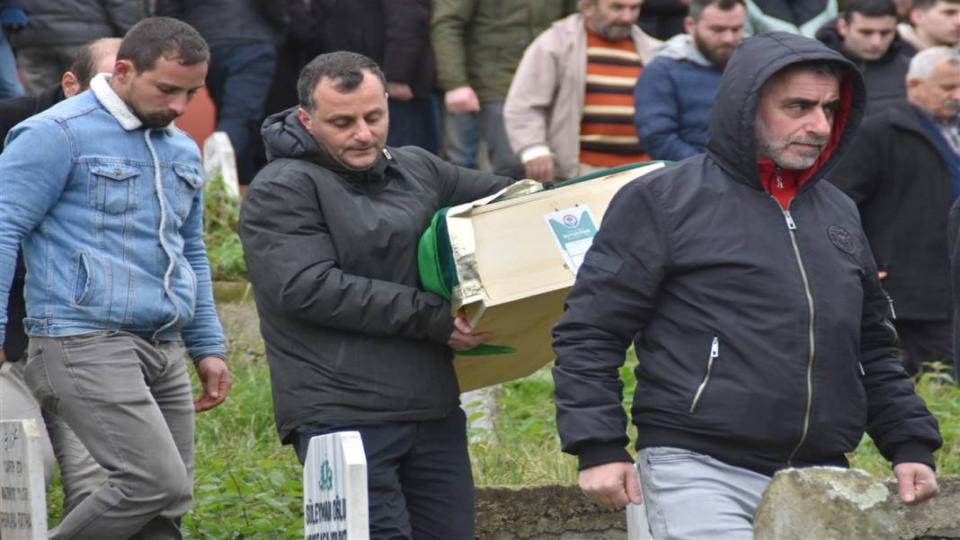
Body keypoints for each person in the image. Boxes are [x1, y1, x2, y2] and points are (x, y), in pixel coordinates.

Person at [552, 32, 942, 539]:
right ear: (746, 105)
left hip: (821, 476)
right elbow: (590, 329)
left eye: (828, 108)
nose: (819, 125)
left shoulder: (839, 211)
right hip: (694, 467)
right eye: (797, 106)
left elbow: (871, 345)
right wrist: (598, 446)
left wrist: (909, 442)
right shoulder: (663, 200)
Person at [238, 51, 513, 539]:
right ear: (306, 119)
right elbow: (308, 288)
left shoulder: (417, 168)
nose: (362, 134)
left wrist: (576, 202)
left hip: (432, 408)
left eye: (373, 116)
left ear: (387, 103)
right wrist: (433, 317)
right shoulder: (281, 188)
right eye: (342, 122)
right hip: (340, 416)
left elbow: (510, 200)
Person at [0, 17, 231, 538]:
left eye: (192, 93)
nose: (178, 107)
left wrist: (208, 345)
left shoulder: (179, 149)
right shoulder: (54, 133)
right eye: (166, 89)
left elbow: (189, 249)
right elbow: (3, 226)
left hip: (164, 343)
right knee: (153, 484)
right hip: (81, 339)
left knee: (165, 509)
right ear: (124, 70)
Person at [0, 37, 120, 518]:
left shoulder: (144, 142)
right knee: (26, 468)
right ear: (70, 83)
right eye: (107, 85)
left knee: (98, 482)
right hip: (13, 333)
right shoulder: (13, 123)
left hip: (83, 339)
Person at [832, 47, 960, 376]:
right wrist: (863, 258)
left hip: (950, 280)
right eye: (948, 88)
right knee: (930, 379)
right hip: (909, 287)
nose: (957, 96)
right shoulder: (879, 132)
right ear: (915, 84)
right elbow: (839, 201)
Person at [504, 0, 661, 182]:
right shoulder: (556, 43)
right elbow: (523, 105)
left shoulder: (653, 50)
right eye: (617, 8)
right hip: (581, 174)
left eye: (634, 8)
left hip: (643, 172)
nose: (627, 17)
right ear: (588, 7)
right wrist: (534, 149)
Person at [431, 0, 576, 177]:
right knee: (512, 165)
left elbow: (575, 21)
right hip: (493, 81)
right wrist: (455, 83)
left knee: (560, 166)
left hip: (551, 82)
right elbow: (448, 23)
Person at [155, 0, 284, 187]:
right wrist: (283, 25)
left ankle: (240, 180)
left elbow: (168, 9)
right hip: (251, 36)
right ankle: (212, 181)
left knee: (231, 113)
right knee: (239, 116)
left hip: (206, 40)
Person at [634, 0, 745, 160]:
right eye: (717, 29)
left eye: (736, 29)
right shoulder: (662, 71)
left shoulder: (749, 66)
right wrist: (709, 170)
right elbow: (657, 138)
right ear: (690, 25)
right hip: (690, 176)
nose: (728, 38)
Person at [9, 0, 143, 96]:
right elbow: (120, 5)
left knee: (41, 101)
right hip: (86, 39)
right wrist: (130, 38)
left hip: (34, 37)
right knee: (90, 96)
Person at [816, 0, 910, 116]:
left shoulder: (910, 69)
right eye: (866, 32)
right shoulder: (814, 68)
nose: (876, 42)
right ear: (843, 27)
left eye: (885, 33)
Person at [744, 0, 838, 37]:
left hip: (821, 68)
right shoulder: (751, 4)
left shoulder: (827, 2)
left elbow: (834, 39)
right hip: (774, 73)